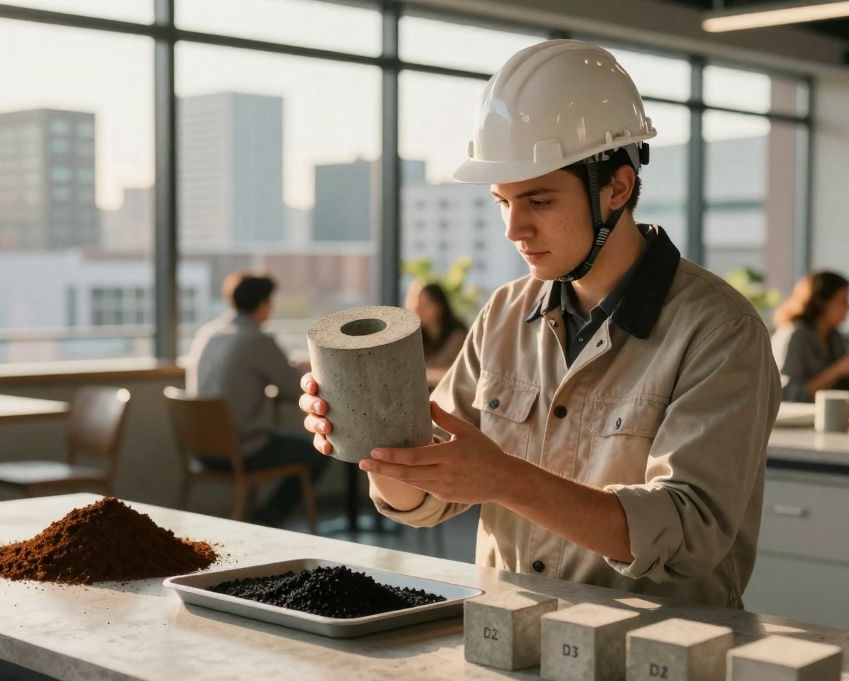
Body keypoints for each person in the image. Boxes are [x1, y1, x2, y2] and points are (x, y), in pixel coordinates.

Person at [299, 40, 779, 607]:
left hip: (656, 663)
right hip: (509, 642)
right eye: (503, 202)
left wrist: (503, 479)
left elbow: (687, 535)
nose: (513, 229)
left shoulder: (719, 332)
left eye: (540, 201)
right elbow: (426, 503)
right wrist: (375, 439)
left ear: (618, 188)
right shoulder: (504, 314)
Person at [185, 271, 329, 527]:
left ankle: (264, 518)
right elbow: (294, 388)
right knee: (317, 451)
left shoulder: (208, 333)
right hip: (242, 450)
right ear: (264, 304)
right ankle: (268, 519)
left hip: (201, 448)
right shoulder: (256, 340)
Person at [770, 271, 849, 402]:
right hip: (795, 419)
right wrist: (839, 369)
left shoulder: (835, 337)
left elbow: (846, 390)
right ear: (821, 302)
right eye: (842, 301)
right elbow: (787, 395)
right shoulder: (794, 336)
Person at [405, 280, 468, 386]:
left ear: (439, 306)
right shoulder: (418, 338)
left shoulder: (458, 337)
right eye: (416, 304)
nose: (418, 309)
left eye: (424, 304)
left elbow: (451, 372)